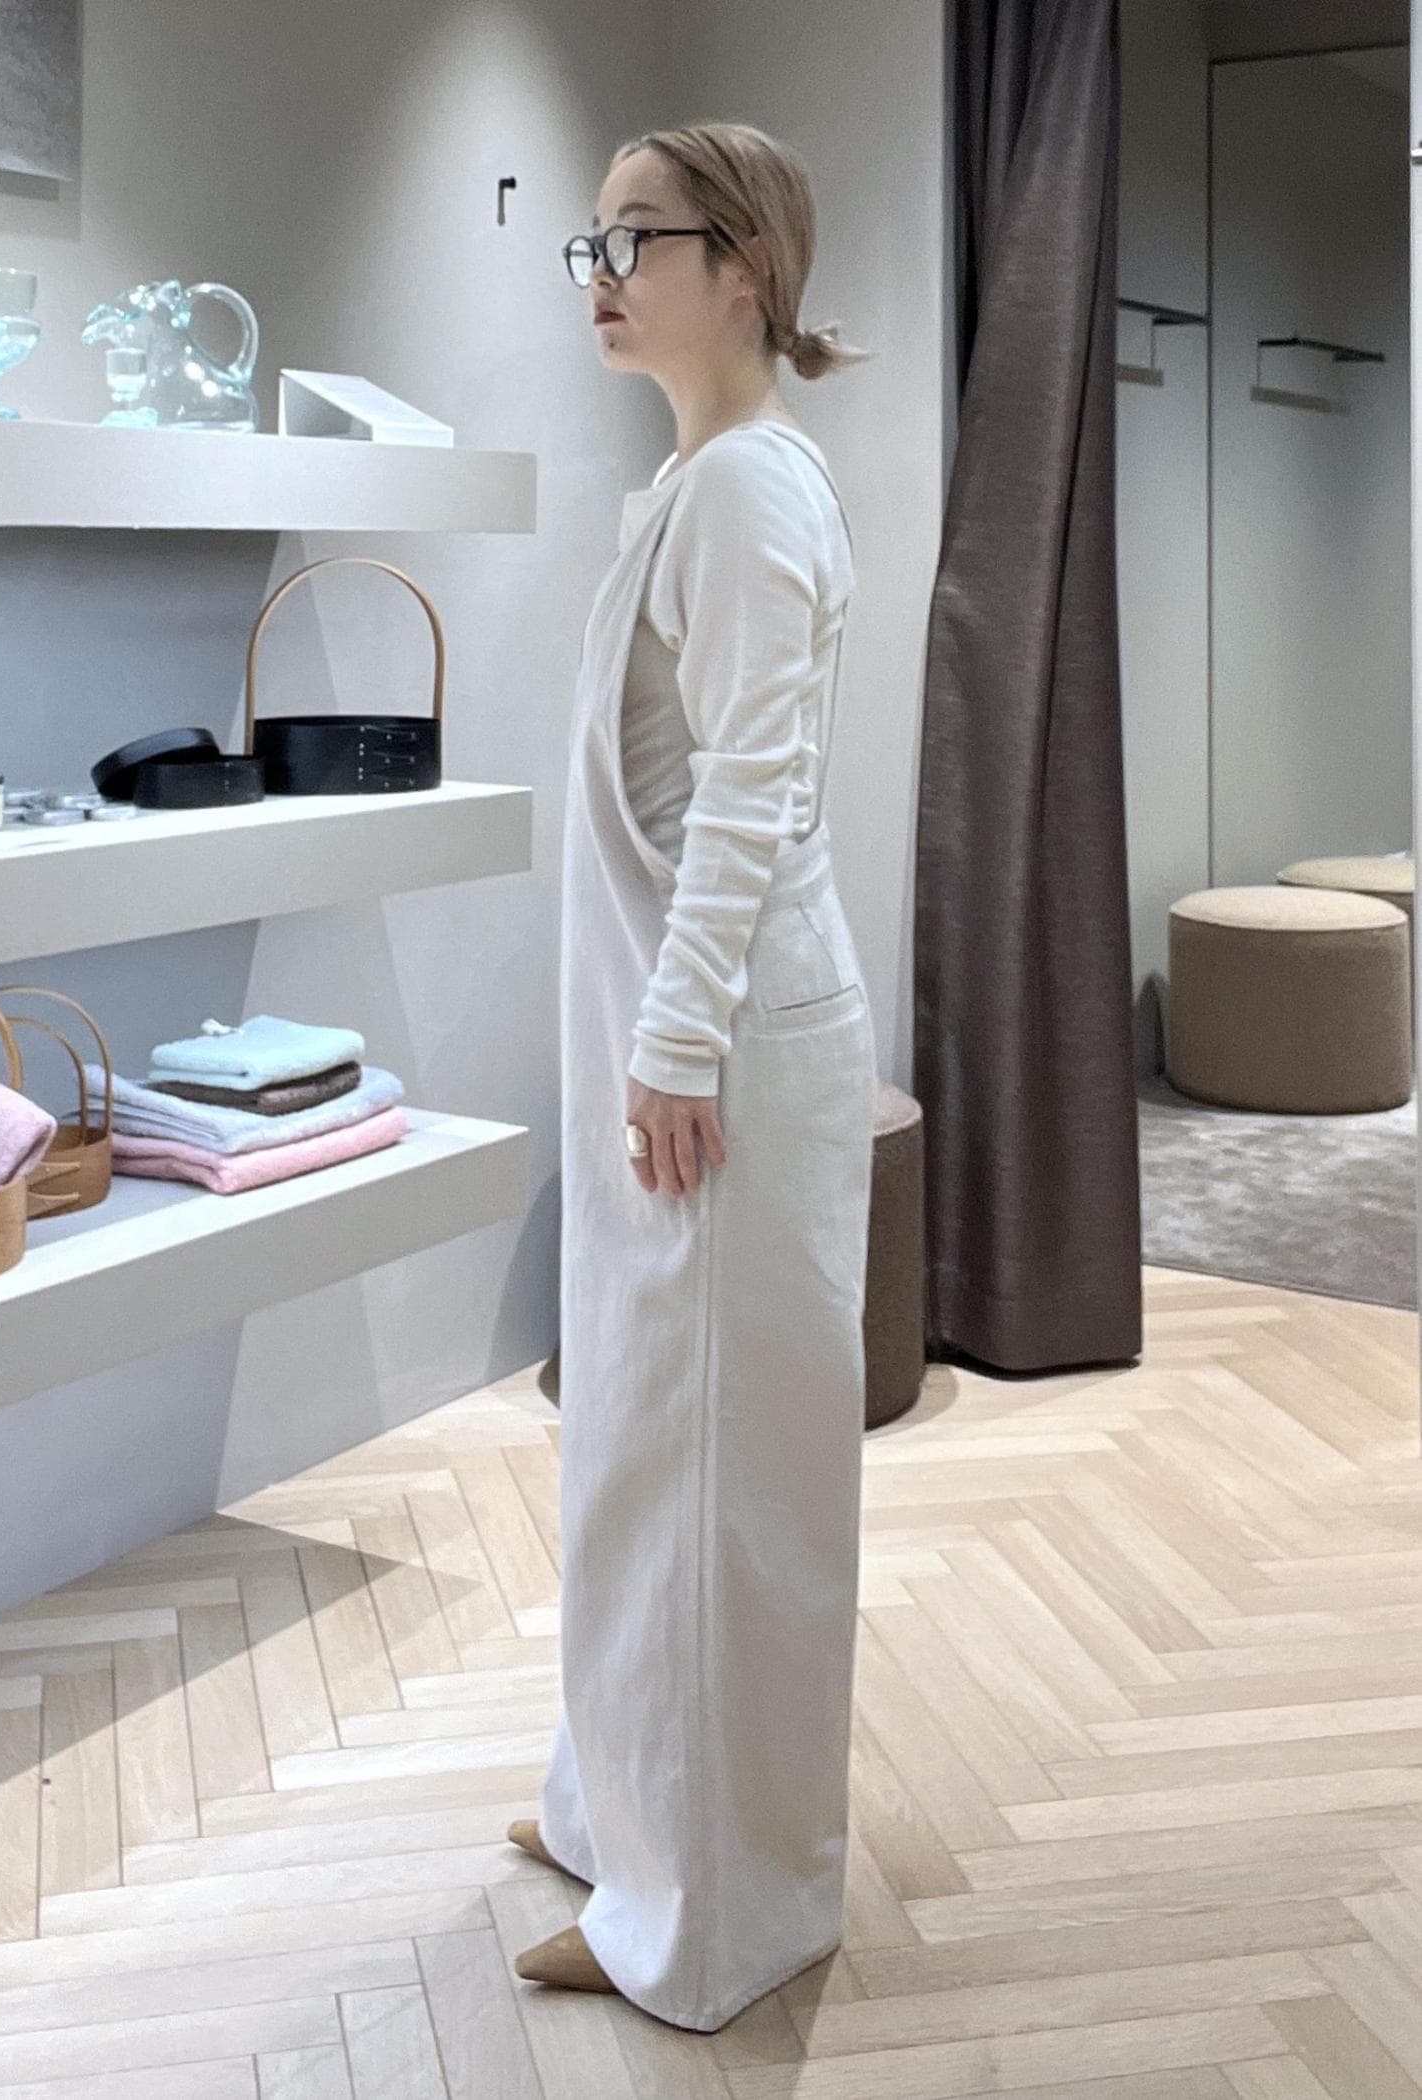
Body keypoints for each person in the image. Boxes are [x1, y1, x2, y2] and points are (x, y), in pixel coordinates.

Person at [512, 120, 878, 2032]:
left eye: (633, 237)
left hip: (719, 1049)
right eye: (586, 240)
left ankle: (713, 1915)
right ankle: (624, 1817)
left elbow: (753, 792)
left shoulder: (743, 490)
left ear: (744, 266)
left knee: (715, 1488)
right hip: (683, 1037)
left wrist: (671, 1044)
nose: (597, 271)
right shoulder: (696, 483)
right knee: (648, 1451)